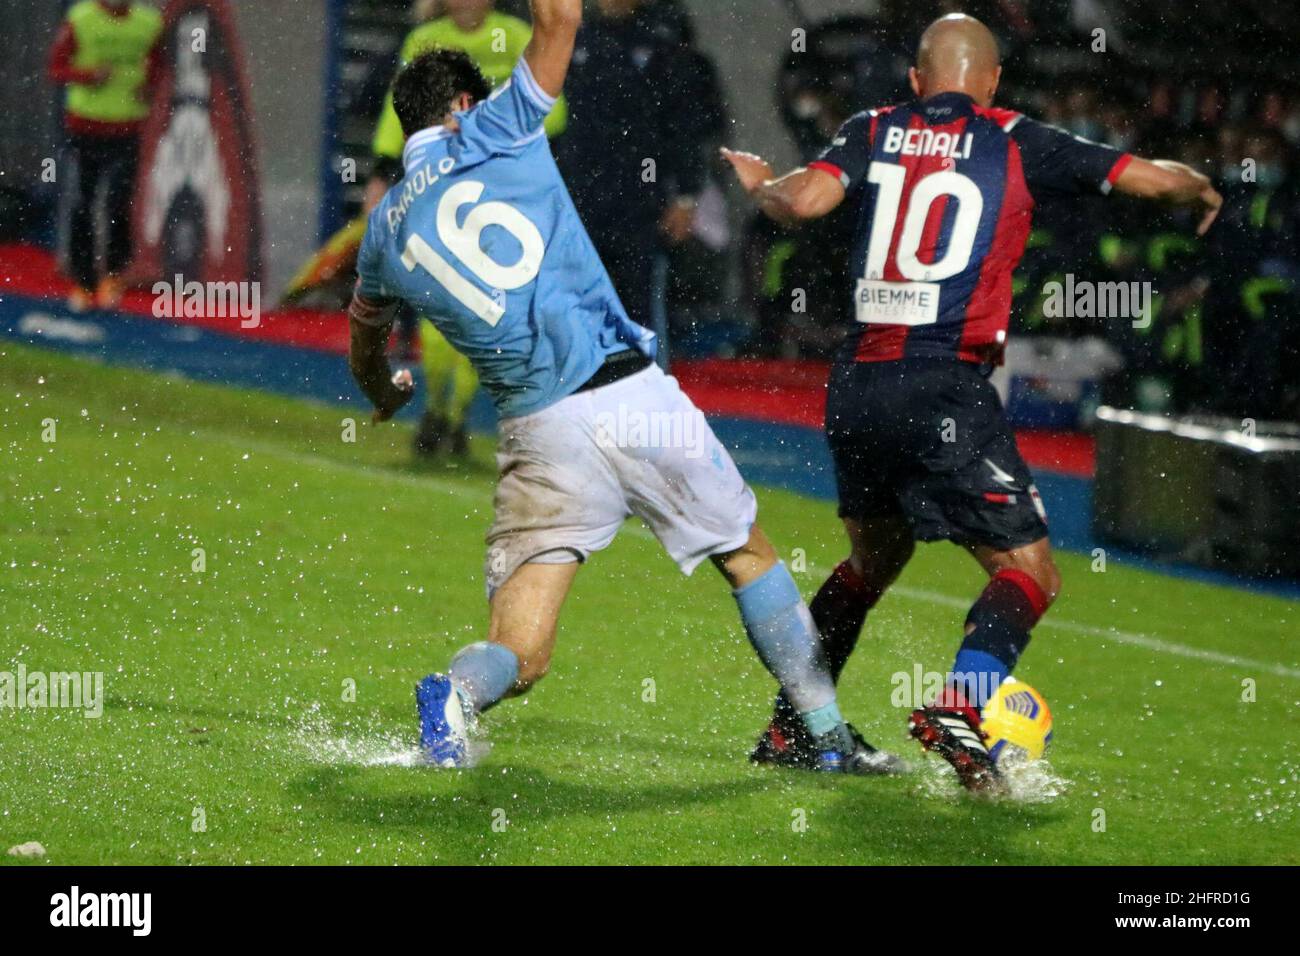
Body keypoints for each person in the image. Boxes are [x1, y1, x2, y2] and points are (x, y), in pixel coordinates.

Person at [346, 0, 901, 775]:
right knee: (744, 552)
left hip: (538, 434)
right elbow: (559, 21)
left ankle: (457, 694)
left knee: (522, 652)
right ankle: (822, 732)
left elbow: (364, 334)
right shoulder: (500, 126)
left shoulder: (382, 229)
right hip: (630, 396)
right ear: (466, 103)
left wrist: (383, 391)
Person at [724, 13, 1222, 792]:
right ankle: (961, 707)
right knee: (1030, 570)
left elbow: (806, 202)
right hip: (943, 382)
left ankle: (795, 725)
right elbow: (1148, 180)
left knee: (872, 559)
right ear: (991, 82)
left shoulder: (873, 126)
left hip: (856, 385)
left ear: (919, 81)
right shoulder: (1015, 135)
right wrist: (1193, 184)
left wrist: (764, 185)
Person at [368, 0, 568, 458]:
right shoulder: (424, 40)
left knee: (481, 312)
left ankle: (452, 418)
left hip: (498, 200)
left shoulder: (517, 37)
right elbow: (395, 109)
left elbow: (554, 112)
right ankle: (440, 409)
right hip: (434, 194)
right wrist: (381, 173)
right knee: (438, 313)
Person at [46, 0, 163, 312]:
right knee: (82, 201)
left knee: (119, 201)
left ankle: (113, 274)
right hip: (85, 126)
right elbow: (56, 66)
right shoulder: (81, 17)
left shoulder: (148, 22)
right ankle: (84, 282)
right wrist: (87, 75)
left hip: (127, 127)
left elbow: (159, 65)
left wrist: (149, 87)